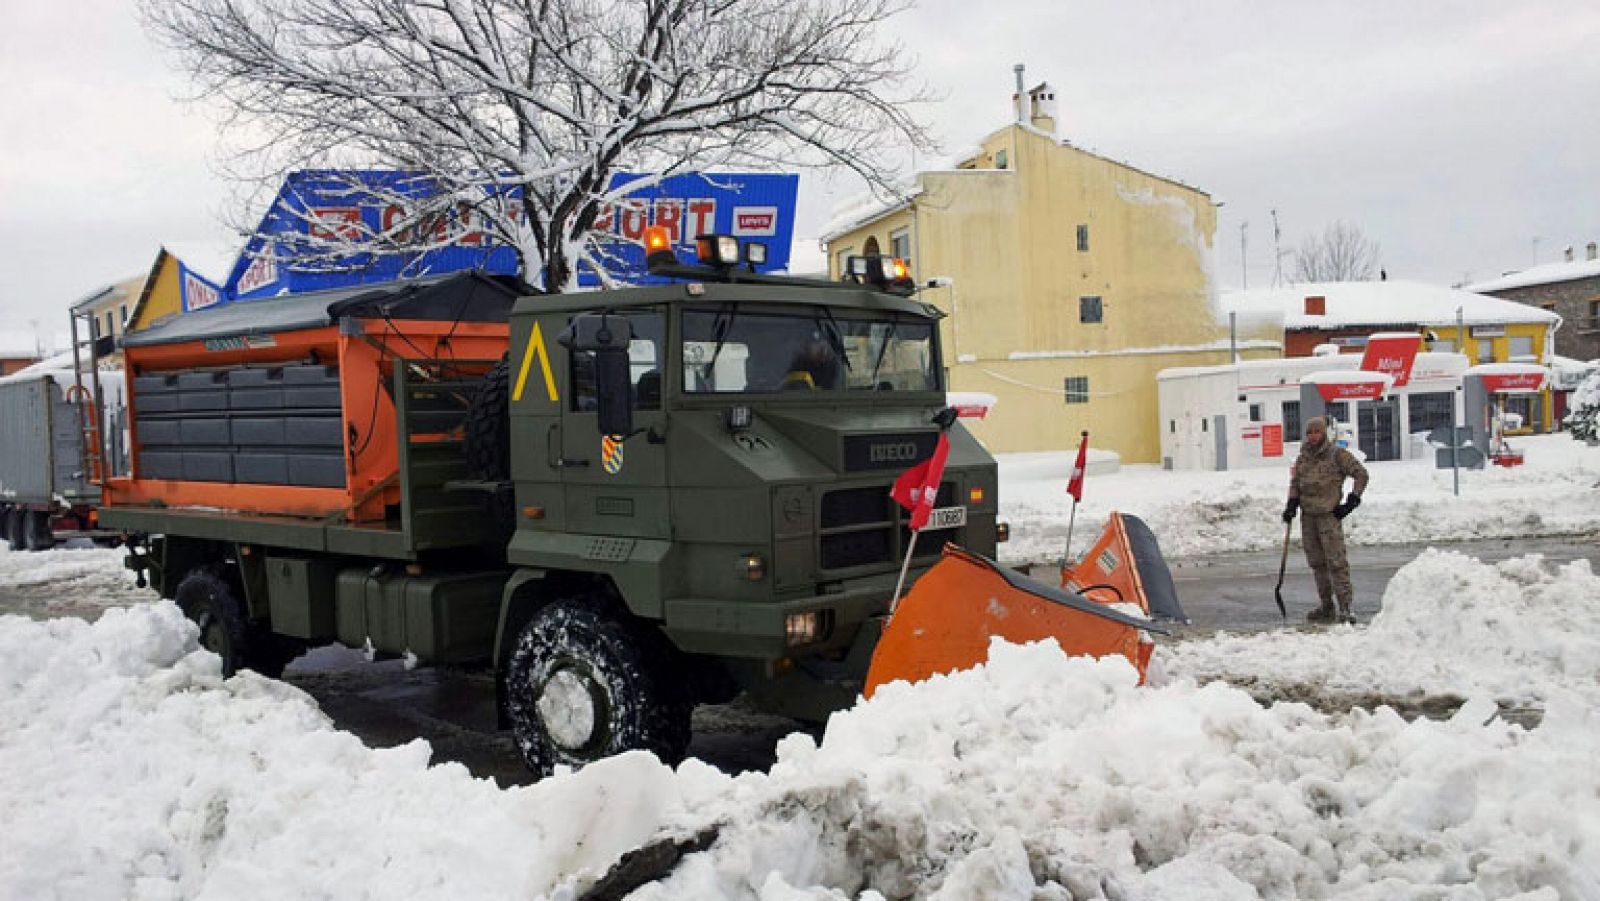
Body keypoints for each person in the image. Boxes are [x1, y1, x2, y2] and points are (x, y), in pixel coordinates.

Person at [1281, 415, 1369, 624]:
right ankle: (1326, 606)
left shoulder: (1337, 455)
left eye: (1317, 432)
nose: (1313, 436)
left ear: (1324, 433)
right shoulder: (1303, 458)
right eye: (1309, 432)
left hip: (1329, 516)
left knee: (1336, 562)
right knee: (1317, 564)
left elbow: (1361, 474)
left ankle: (1346, 608)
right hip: (1308, 517)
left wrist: (1352, 500)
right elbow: (1296, 482)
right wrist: (1291, 504)